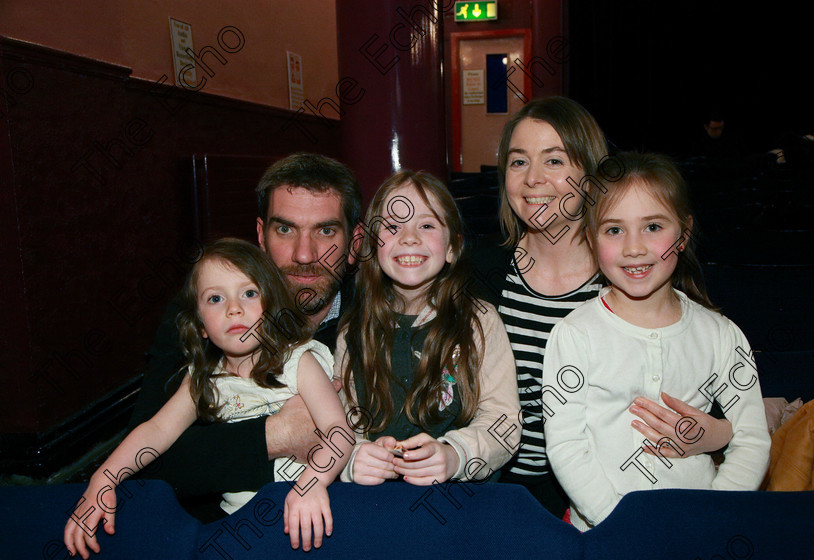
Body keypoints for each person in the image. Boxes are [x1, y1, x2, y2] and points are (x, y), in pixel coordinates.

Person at [469, 96, 735, 518]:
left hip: (600, 490)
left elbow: (718, 401)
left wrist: (716, 434)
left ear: (589, 176)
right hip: (495, 488)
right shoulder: (479, 271)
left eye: (554, 161)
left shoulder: (634, 271)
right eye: (519, 162)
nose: (534, 179)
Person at [66, 239, 353, 558]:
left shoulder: (298, 361)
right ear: (201, 325)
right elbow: (156, 431)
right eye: (216, 298)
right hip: (241, 525)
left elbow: (339, 432)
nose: (234, 308)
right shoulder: (203, 379)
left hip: (311, 511)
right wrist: (102, 479)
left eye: (249, 293)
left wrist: (312, 484)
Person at [543, 151, 771, 531]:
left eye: (653, 227)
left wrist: (715, 515)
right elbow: (567, 446)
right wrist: (620, 526)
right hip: (603, 528)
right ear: (591, 239)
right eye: (614, 230)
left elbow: (751, 439)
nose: (634, 247)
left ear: (683, 234)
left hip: (698, 524)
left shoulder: (720, 334)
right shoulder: (574, 334)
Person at [127, 153, 362, 520]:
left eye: (326, 230)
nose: (304, 254)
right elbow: (149, 464)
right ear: (260, 236)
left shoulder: (378, 318)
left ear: (355, 243)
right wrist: (273, 435)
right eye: (285, 229)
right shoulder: (208, 313)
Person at [335, 170, 520, 484]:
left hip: (462, 500)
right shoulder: (354, 330)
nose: (409, 238)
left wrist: (455, 455)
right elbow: (339, 424)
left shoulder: (479, 321)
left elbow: (504, 423)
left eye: (426, 225)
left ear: (452, 247)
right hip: (380, 501)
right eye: (393, 226)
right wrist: (354, 457)